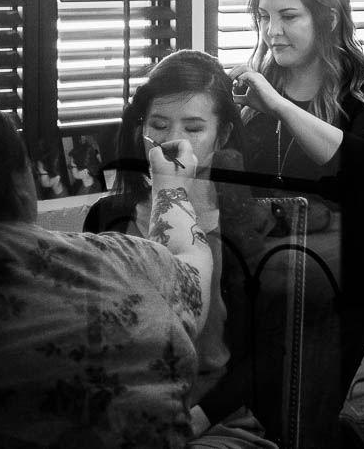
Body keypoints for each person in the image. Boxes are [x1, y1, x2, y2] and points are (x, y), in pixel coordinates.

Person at [0, 97, 213, 447]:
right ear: (20, 182)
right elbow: (189, 257)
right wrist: (171, 184)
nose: (172, 135)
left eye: (193, 126)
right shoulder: (125, 259)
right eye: (159, 125)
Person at [229, 0, 364, 437]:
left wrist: (279, 106)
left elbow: (362, 162)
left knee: (305, 425)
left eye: (288, 16)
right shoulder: (256, 91)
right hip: (257, 289)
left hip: (337, 297)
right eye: (264, 16)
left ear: (327, 18)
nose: (271, 31)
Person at [84, 49, 275, 447]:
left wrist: (195, 420)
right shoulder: (109, 217)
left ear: (221, 136)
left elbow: (263, 356)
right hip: (125, 412)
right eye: (159, 124)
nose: (173, 142)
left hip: (213, 415)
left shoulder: (242, 220)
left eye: (193, 128)